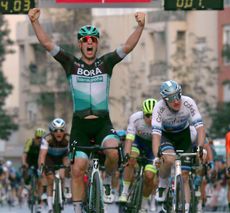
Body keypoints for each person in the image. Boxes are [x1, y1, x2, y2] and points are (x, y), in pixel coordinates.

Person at [28, 8, 145, 213]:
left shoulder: (106, 63)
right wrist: (35, 22)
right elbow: (47, 44)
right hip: (81, 125)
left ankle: (107, 181)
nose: (89, 42)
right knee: (77, 168)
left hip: (102, 123)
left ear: (97, 43)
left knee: (112, 151)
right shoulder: (70, 63)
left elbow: (127, 47)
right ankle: (76, 209)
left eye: (93, 39)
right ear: (80, 44)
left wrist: (140, 26)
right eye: (84, 39)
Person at [152, 80, 206, 213]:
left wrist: (199, 147)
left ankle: (186, 208)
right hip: (166, 136)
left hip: (183, 136)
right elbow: (156, 136)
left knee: (185, 175)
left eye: (178, 95)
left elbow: (200, 128)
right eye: (171, 98)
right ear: (164, 100)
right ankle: (163, 184)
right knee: (169, 160)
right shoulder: (159, 108)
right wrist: (157, 155)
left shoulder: (188, 102)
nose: (176, 101)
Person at [118, 98, 158, 212]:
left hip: (153, 146)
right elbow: (129, 140)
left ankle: (144, 205)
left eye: (153, 115)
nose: (150, 118)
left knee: (150, 176)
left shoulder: (162, 121)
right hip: (138, 142)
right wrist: (126, 155)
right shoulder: (135, 118)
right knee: (131, 157)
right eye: (148, 115)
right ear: (143, 113)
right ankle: (125, 192)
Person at [38, 118, 69, 213]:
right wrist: (41, 169)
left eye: (61, 130)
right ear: (51, 131)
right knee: (50, 179)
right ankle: (50, 207)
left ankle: (63, 192)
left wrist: (69, 167)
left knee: (63, 174)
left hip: (63, 157)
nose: (58, 132)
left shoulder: (68, 138)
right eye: (55, 130)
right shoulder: (47, 139)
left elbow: (71, 155)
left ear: (65, 131)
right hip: (49, 158)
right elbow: (42, 155)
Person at [22, 127, 46, 212]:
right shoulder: (30, 141)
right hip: (29, 162)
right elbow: (25, 153)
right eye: (37, 138)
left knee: (40, 181)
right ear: (35, 136)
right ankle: (26, 186)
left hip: (38, 163)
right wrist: (24, 163)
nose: (39, 140)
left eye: (41, 138)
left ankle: (39, 202)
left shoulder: (44, 144)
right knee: (28, 173)